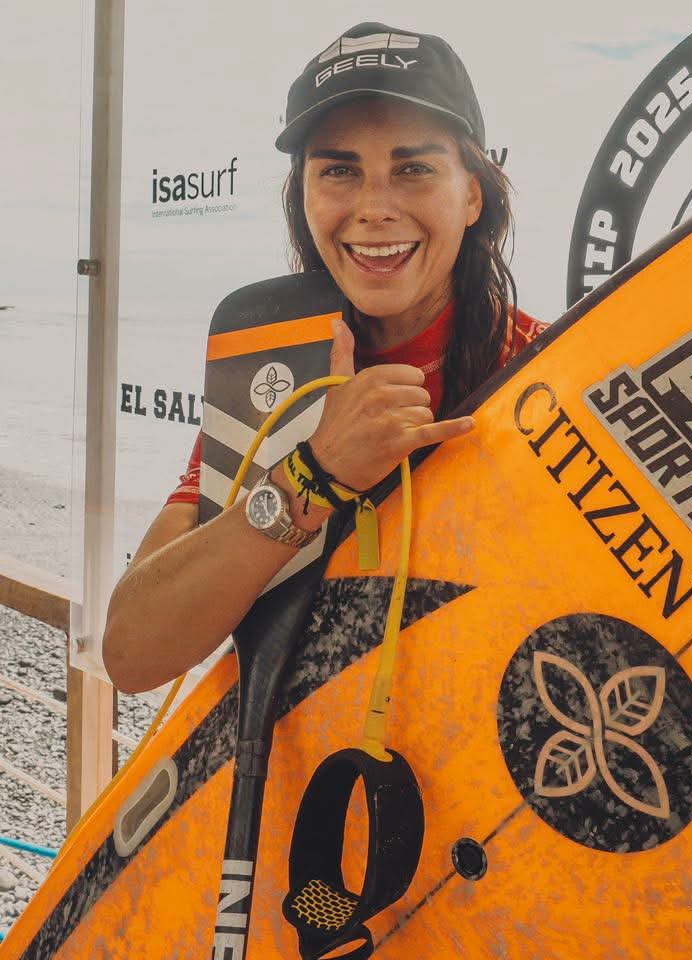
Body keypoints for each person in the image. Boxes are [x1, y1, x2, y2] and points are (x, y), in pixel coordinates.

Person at [103, 22, 547, 694]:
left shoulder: (543, 365)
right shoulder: (271, 369)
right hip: (307, 786)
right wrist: (309, 478)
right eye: (340, 170)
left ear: (473, 194)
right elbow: (135, 652)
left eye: (414, 168)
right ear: (303, 197)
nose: (374, 207)